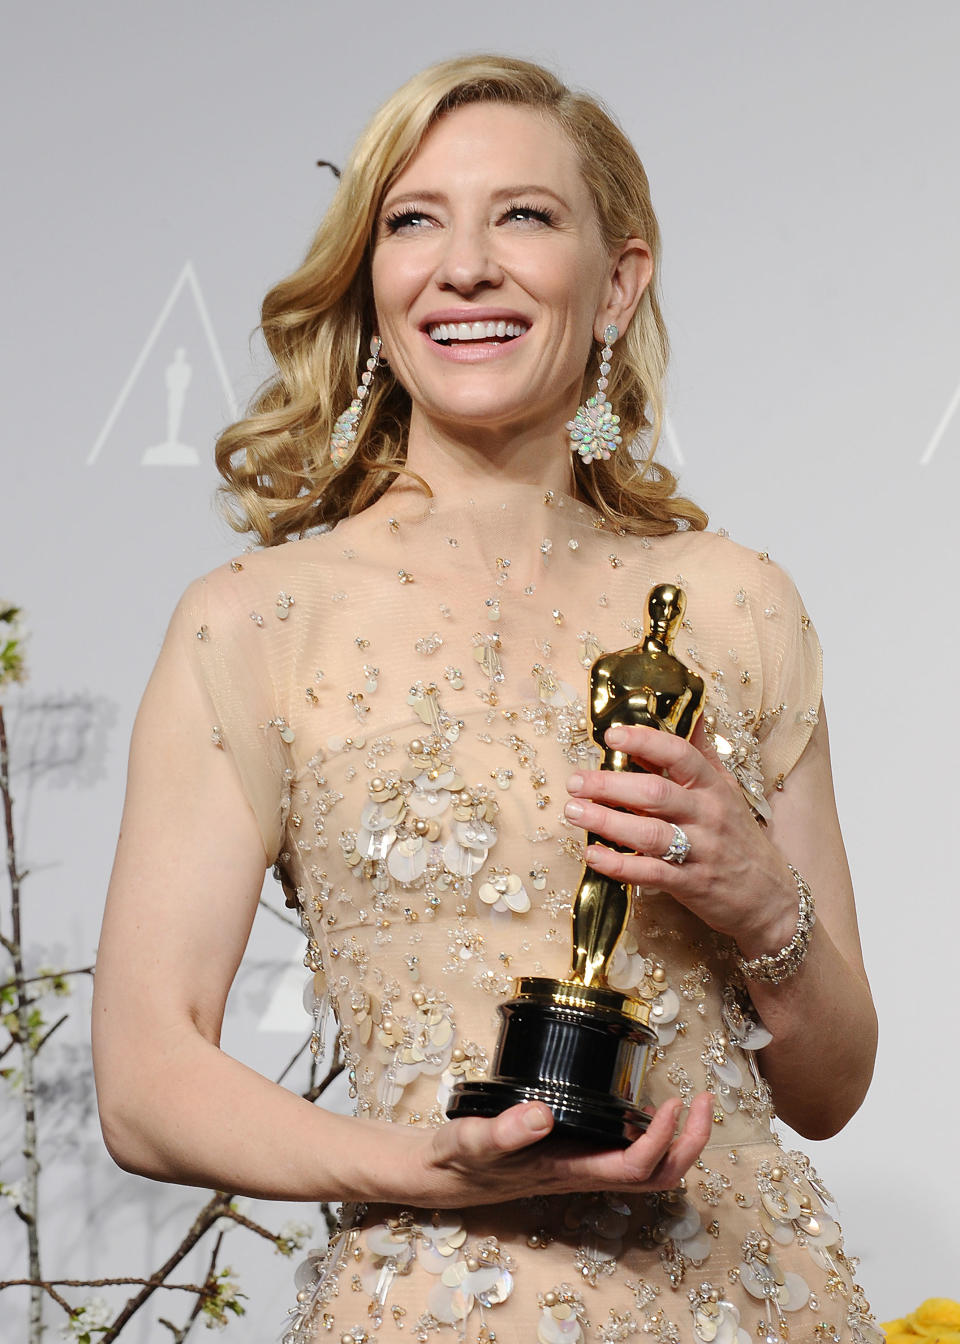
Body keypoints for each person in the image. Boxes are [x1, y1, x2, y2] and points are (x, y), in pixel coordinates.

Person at [92, 55, 882, 1344]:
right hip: (436, 1306)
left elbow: (833, 1084)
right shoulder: (253, 624)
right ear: (372, 282)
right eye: (414, 221)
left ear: (618, 280)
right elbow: (142, 1081)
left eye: (523, 214)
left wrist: (760, 903)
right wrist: (425, 1166)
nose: (464, 266)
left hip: (747, 1305)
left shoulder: (737, 604)